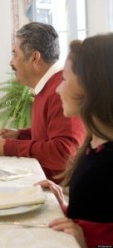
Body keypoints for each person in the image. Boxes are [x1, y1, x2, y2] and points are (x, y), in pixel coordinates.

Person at [0, 22, 85, 183]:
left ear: (34, 58)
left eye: (15, 54)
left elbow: (64, 152)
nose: (11, 62)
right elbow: (50, 133)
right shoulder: (48, 86)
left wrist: (7, 147)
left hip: (60, 193)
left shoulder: (60, 90)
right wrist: (20, 135)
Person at [37, 35, 113, 248]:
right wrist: (64, 207)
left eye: (64, 79)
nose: (59, 89)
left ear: (91, 87)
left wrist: (87, 244)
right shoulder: (93, 146)